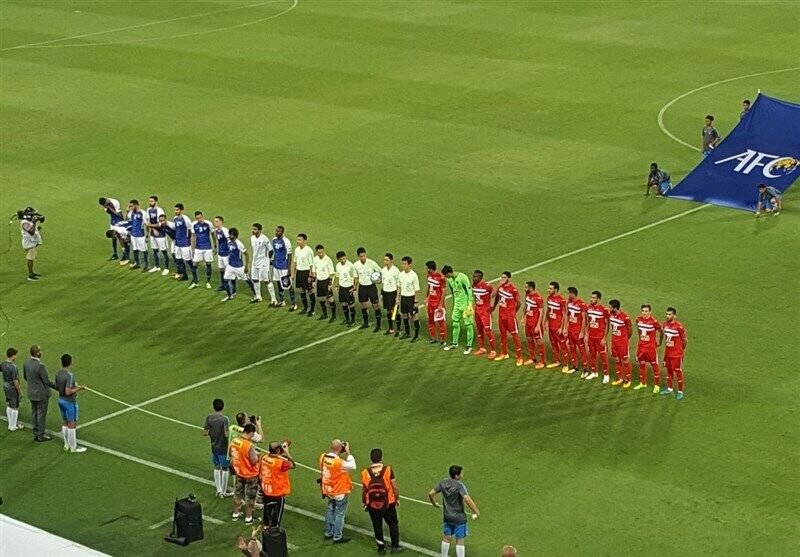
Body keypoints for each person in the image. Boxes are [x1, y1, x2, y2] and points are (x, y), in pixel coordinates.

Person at [428, 465, 480, 557]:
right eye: (461, 473)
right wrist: (476, 511)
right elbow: (467, 499)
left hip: (447, 517)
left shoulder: (442, 483)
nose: (462, 475)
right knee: (460, 540)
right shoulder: (460, 486)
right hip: (459, 518)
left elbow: (431, 493)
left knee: (446, 538)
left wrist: (434, 503)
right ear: (456, 476)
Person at [361, 448, 402, 555]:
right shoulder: (388, 469)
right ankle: (395, 546)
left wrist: (365, 502)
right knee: (393, 523)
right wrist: (397, 498)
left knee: (377, 524)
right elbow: (394, 486)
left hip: (372, 504)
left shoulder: (365, 473)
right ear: (381, 458)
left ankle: (381, 548)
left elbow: (364, 490)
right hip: (388, 502)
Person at [319, 439, 356, 544]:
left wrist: (339, 451)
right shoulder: (338, 462)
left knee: (330, 510)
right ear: (340, 448)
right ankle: (337, 536)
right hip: (338, 491)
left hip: (328, 490)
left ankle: (328, 532)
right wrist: (348, 452)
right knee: (340, 514)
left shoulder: (323, 457)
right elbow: (352, 466)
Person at [23, 345, 56, 442]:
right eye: (40, 351)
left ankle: (36, 432)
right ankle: (41, 435)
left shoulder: (26, 363)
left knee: (34, 413)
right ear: (37, 353)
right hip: (41, 394)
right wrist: (58, 387)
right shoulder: (40, 366)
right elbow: (46, 381)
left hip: (31, 392)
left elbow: (26, 377)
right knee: (41, 414)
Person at [54, 353, 87, 453]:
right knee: (71, 423)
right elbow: (68, 391)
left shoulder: (58, 373)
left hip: (61, 400)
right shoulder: (69, 375)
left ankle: (66, 444)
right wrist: (79, 388)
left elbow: (59, 387)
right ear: (70, 363)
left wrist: (75, 386)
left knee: (65, 422)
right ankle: (73, 447)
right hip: (69, 402)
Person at [260, 440, 295, 528]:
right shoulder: (281, 463)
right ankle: (274, 530)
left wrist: (280, 453)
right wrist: (287, 453)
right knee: (276, 514)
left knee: (267, 510)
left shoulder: (264, 457)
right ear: (278, 451)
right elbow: (292, 465)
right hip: (277, 492)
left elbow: (273, 457)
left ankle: (266, 527)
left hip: (266, 489)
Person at [230, 423, 260, 524]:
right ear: (251, 432)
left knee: (238, 494)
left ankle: (235, 513)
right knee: (250, 497)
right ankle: (248, 517)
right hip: (250, 474)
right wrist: (257, 455)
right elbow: (254, 461)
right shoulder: (248, 445)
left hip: (239, 472)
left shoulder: (234, 441)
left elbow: (231, 453)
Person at [441, 266, 475, 355]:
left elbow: (469, 290)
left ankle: (469, 346)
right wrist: (454, 303)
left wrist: (470, 305)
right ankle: (454, 343)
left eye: (446, 275)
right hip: (457, 305)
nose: (446, 277)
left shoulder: (462, 277)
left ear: (449, 273)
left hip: (465, 305)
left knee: (468, 325)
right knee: (455, 323)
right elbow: (453, 292)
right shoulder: (449, 280)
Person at [493, 271, 523, 366]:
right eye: (501, 277)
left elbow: (519, 303)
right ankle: (504, 353)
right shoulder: (500, 287)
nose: (502, 279)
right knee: (503, 334)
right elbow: (495, 296)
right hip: (501, 315)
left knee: (515, 335)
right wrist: (494, 306)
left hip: (510, 316)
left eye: (504, 278)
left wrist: (514, 312)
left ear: (509, 278)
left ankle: (519, 357)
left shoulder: (513, 289)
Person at [203, 398, 231, 497]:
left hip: (214, 446)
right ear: (222, 407)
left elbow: (205, 433)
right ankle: (223, 491)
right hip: (223, 447)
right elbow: (226, 434)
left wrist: (213, 433)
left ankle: (218, 490)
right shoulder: (225, 419)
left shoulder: (209, 418)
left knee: (216, 466)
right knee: (225, 468)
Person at [634, 304, 662, 393]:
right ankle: (643, 383)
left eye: (646, 311)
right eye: (643, 311)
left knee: (654, 366)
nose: (644, 313)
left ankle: (657, 385)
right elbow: (639, 331)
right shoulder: (638, 319)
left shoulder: (654, 321)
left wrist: (659, 342)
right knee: (642, 365)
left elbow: (661, 332)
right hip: (642, 348)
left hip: (650, 349)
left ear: (650, 312)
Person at [222, 228, 256, 302]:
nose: (229, 236)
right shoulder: (229, 241)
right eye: (229, 234)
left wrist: (246, 266)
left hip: (239, 267)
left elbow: (246, 255)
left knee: (248, 281)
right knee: (225, 280)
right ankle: (230, 295)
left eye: (231, 234)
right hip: (230, 266)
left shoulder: (239, 243)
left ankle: (256, 294)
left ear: (235, 235)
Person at [661, 307, 687, 400]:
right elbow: (666, 342)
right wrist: (664, 357)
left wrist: (681, 349)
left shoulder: (679, 327)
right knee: (669, 371)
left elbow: (684, 340)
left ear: (674, 316)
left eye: (669, 314)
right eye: (667, 314)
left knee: (678, 372)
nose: (667, 316)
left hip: (677, 355)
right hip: (668, 353)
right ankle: (669, 388)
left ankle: (680, 391)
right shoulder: (664, 325)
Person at [584, 291, 610, 383]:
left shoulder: (604, 310)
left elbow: (607, 324)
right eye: (591, 297)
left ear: (599, 299)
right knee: (592, 355)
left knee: (603, 356)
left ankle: (606, 375)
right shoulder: (588, 308)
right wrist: (586, 334)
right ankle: (594, 372)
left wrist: (604, 338)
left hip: (600, 337)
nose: (591, 299)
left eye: (594, 298)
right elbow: (587, 322)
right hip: (591, 336)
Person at [354, 247, 383, 331]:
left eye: (364, 256)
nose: (363, 258)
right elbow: (355, 276)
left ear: (365, 255)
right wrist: (355, 287)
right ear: (358, 257)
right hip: (362, 287)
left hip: (371, 287)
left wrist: (378, 279)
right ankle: (365, 323)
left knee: (376, 306)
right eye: (361, 256)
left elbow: (380, 271)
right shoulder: (356, 265)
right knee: (364, 306)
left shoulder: (372, 263)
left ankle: (378, 325)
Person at [471, 270, 496, 359]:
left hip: (485, 311)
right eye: (473, 276)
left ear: (480, 278)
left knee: (488, 330)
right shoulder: (473, 285)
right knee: (479, 329)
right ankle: (482, 348)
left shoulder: (487, 286)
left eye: (475, 277)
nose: (473, 278)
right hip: (477, 310)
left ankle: (493, 351)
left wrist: (492, 305)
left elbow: (495, 293)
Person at [608, 300, 633, 388]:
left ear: (615, 308)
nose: (609, 308)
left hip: (623, 343)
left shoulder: (625, 317)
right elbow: (612, 327)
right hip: (614, 341)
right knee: (617, 360)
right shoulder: (611, 315)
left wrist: (625, 339)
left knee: (625, 360)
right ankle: (620, 378)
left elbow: (630, 330)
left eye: (610, 307)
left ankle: (628, 379)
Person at [545, 282, 569, 372]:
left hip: (558, 327)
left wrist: (562, 328)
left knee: (562, 345)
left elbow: (564, 315)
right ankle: (557, 361)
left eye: (551, 289)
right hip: (551, 326)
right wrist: (546, 322)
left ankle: (566, 364)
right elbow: (548, 310)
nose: (548, 290)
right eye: (549, 288)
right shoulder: (549, 298)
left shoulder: (561, 300)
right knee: (554, 344)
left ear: (556, 290)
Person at [271, 225, 296, 310]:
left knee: (288, 286)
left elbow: (289, 256)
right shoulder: (274, 240)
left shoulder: (286, 241)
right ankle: (282, 301)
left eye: (279, 231)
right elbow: (275, 252)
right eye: (276, 231)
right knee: (278, 284)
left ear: (282, 232)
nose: (277, 232)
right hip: (276, 267)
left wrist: (289, 269)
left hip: (284, 267)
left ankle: (294, 304)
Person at [566, 287, 589, 376]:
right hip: (570, 330)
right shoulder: (569, 302)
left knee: (582, 350)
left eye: (569, 294)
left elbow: (584, 319)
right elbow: (567, 315)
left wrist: (582, 332)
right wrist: (565, 328)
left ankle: (586, 369)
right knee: (572, 348)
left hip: (578, 331)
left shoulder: (581, 304)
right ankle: (575, 366)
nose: (568, 296)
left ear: (573, 294)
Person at [523, 281, 546, 368]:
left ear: (530, 288)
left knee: (539, 342)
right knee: (529, 339)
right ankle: (532, 358)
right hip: (528, 322)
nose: (525, 289)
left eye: (526, 287)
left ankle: (542, 361)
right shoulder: (527, 295)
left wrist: (538, 325)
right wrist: (523, 317)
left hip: (535, 323)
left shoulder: (538, 298)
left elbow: (541, 312)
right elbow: (526, 306)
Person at [249, 223, 274, 304]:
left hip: (263, 263)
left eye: (255, 229)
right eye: (253, 229)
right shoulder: (252, 238)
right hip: (254, 262)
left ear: (259, 230)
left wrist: (268, 260)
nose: (253, 231)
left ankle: (273, 300)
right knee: (255, 279)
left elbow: (270, 250)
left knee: (267, 281)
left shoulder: (264, 239)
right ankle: (258, 297)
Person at [189, 211, 214, 289]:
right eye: (197, 218)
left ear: (203, 216)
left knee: (208, 264)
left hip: (207, 247)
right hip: (198, 247)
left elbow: (213, 234)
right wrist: (192, 248)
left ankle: (208, 282)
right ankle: (195, 281)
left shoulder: (209, 224)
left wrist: (215, 246)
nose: (199, 219)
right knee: (194, 264)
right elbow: (193, 236)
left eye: (200, 217)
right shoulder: (194, 224)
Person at [398, 256, 421, 342]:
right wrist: (398, 298)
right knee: (404, 315)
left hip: (411, 298)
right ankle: (407, 333)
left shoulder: (414, 275)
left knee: (414, 316)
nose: (403, 265)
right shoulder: (400, 274)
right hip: (403, 297)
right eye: (402, 263)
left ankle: (416, 335)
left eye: (405, 264)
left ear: (409, 264)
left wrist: (415, 301)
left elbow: (417, 289)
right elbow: (399, 287)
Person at [425, 261, 448, 345]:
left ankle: (443, 339)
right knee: (430, 320)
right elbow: (428, 286)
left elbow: (444, 290)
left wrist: (441, 304)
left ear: (430, 268)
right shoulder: (429, 276)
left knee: (440, 321)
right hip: (430, 302)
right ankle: (433, 338)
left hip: (437, 302)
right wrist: (426, 297)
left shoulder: (441, 278)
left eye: (427, 268)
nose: (426, 269)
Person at [312, 244, 336, 321]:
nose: (321, 254)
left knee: (330, 299)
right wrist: (313, 280)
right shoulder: (315, 259)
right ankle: (325, 314)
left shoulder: (328, 260)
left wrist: (330, 284)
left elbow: (332, 273)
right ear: (316, 252)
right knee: (321, 299)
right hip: (319, 281)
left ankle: (333, 316)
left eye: (322, 252)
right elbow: (314, 271)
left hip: (326, 281)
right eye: (319, 252)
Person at [144, 195, 168, 275]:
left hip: (161, 234)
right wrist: (148, 234)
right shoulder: (148, 210)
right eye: (149, 201)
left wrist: (150, 226)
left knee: (164, 251)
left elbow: (161, 224)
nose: (150, 203)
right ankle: (157, 266)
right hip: (153, 234)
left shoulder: (160, 211)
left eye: (151, 201)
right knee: (155, 250)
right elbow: (148, 222)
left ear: (156, 202)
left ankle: (166, 268)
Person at [168, 203, 192, 281]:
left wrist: (189, 240)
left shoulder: (186, 219)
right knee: (178, 259)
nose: (176, 211)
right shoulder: (175, 218)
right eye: (175, 210)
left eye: (177, 210)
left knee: (188, 261)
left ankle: (195, 277)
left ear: (182, 210)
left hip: (185, 243)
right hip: (177, 243)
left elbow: (190, 230)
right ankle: (184, 275)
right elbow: (175, 228)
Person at [293, 233, 315, 315]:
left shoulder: (309, 251)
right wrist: (293, 274)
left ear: (304, 241)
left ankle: (312, 310)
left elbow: (311, 264)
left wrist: (310, 275)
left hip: (306, 272)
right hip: (299, 272)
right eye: (297, 239)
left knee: (310, 291)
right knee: (301, 291)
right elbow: (295, 262)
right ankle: (305, 308)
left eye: (300, 240)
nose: (298, 241)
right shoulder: (296, 250)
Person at [334, 251, 358, 327]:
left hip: (349, 287)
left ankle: (353, 321)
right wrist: (337, 286)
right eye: (341, 259)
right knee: (343, 304)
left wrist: (354, 288)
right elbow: (337, 276)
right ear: (338, 260)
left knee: (351, 305)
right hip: (342, 287)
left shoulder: (350, 266)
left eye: (344, 258)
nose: (343, 260)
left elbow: (355, 277)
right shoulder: (338, 266)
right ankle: (347, 320)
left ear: (346, 257)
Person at [380, 253, 402, 336]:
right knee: (389, 311)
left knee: (395, 311)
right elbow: (383, 283)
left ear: (391, 260)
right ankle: (391, 328)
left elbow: (398, 285)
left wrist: (397, 297)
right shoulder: (383, 270)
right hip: (386, 293)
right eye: (384, 260)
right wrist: (382, 294)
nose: (385, 262)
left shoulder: (396, 271)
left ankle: (399, 330)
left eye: (387, 260)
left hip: (393, 293)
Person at [3, 348, 23, 431]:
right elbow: (15, 381)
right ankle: (13, 426)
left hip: (6, 386)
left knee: (9, 405)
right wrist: (20, 391)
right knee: (15, 407)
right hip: (12, 388)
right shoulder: (13, 367)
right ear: (13, 355)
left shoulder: (3, 364)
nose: (16, 356)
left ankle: (10, 424)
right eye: (15, 355)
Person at [20, 209, 42, 282]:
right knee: (30, 258)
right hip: (29, 243)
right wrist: (34, 222)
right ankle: (30, 275)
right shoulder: (25, 223)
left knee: (31, 258)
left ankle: (32, 273)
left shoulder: (28, 221)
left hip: (32, 242)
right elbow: (31, 232)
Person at [126, 200, 148, 271]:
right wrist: (127, 211)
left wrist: (147, 235)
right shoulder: (131, 212)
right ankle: (137, 263)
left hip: (140, 235)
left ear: (136, 205)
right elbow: (128, 220)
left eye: (131, 206)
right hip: (133, 234)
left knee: (144, 250)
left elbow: (146, 224)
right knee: (135, 249)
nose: (130, 207)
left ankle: (146, 266)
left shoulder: (143, 213)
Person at [212, 216, 230, 290]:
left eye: (217, 221)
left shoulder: (225, 231)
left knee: (228, 270)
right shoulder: (217, 230)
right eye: (214, 221)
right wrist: (215, 248)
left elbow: (230, 241)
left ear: (221, 222)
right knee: (221, 269)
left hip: (226, 254)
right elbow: (218, 241)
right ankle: (223, 285)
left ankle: (231, 286)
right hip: (220, 253)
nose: (215, 223)